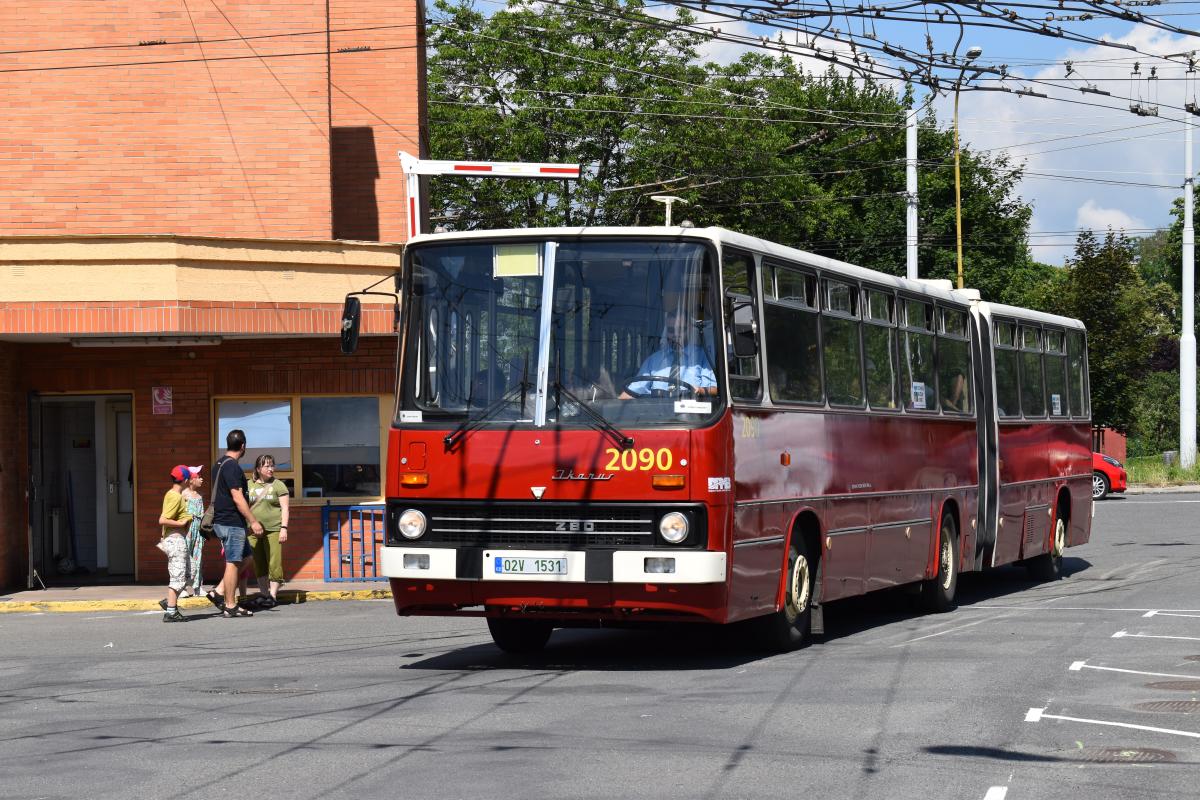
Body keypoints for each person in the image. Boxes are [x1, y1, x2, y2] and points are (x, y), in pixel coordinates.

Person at [207, 429, 262, 618]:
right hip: (230, 521)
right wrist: (253, 521)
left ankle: (218, 591)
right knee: (233, 562)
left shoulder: (219, 464)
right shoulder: (232, 467)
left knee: (247, 558)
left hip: (226, 520)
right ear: (243, 446)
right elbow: (237, 497)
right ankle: (230, 605)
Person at [620, 294, 717, 399]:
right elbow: (632, 392)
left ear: (689, 329)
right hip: (657, 413)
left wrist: (700, 390)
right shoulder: (654, 360)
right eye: (671, 330)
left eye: (680, 330)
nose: (675, 334)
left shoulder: (702, 357)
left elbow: (714, 389)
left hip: (691, 413)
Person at [239, 454, 290, 609]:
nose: (270, 469)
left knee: (274, 562)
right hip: (253, 530)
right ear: (258, 468)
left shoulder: (279, 485)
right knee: (258, 562)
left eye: (272, 465)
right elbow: (243, 505)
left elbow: (285, 508)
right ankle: (264, 594)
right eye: (267, 466)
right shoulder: (249, 485)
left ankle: (273, 595)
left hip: (274, 529)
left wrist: (284, 528)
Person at [157, 465, 194, 623]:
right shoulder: (175, 496)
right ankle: (171, 612)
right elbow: (163, 519)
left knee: (187, 574)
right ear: (185, 480)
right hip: (176, 539)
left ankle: (169, 602)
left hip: (177, 538)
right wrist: (182, 522)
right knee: (178, 576)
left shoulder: (173, 494)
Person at [180, 465, 206, 598]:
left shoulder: (200, 495)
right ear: (190, 480)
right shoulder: (183, 495)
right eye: (199, 476)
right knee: (184, 557)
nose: (202, 479)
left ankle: (197, 586)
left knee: (198, 557)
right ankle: (182, 587)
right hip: (187, 529)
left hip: (198, 530)